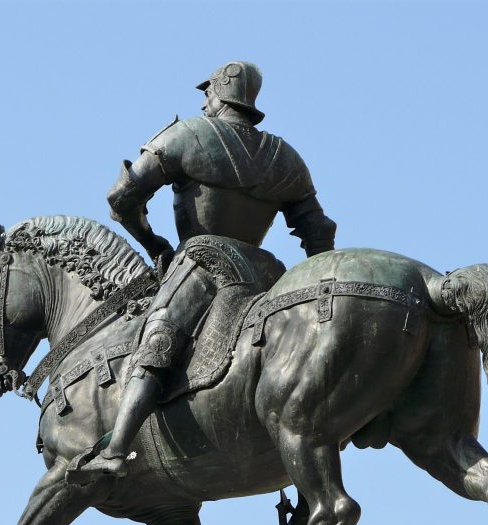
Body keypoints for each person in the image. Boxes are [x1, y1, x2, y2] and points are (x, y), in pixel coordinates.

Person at [69, 61, 336, 481]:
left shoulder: (187, 133)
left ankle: (116, 450)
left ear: (217, 93)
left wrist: (153, 242)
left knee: (156, 341)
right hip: (266, 274)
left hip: (203, 258)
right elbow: (319, 232)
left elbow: (121, 197)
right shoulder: (285, 157)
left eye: (207, 93)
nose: (204, 101)